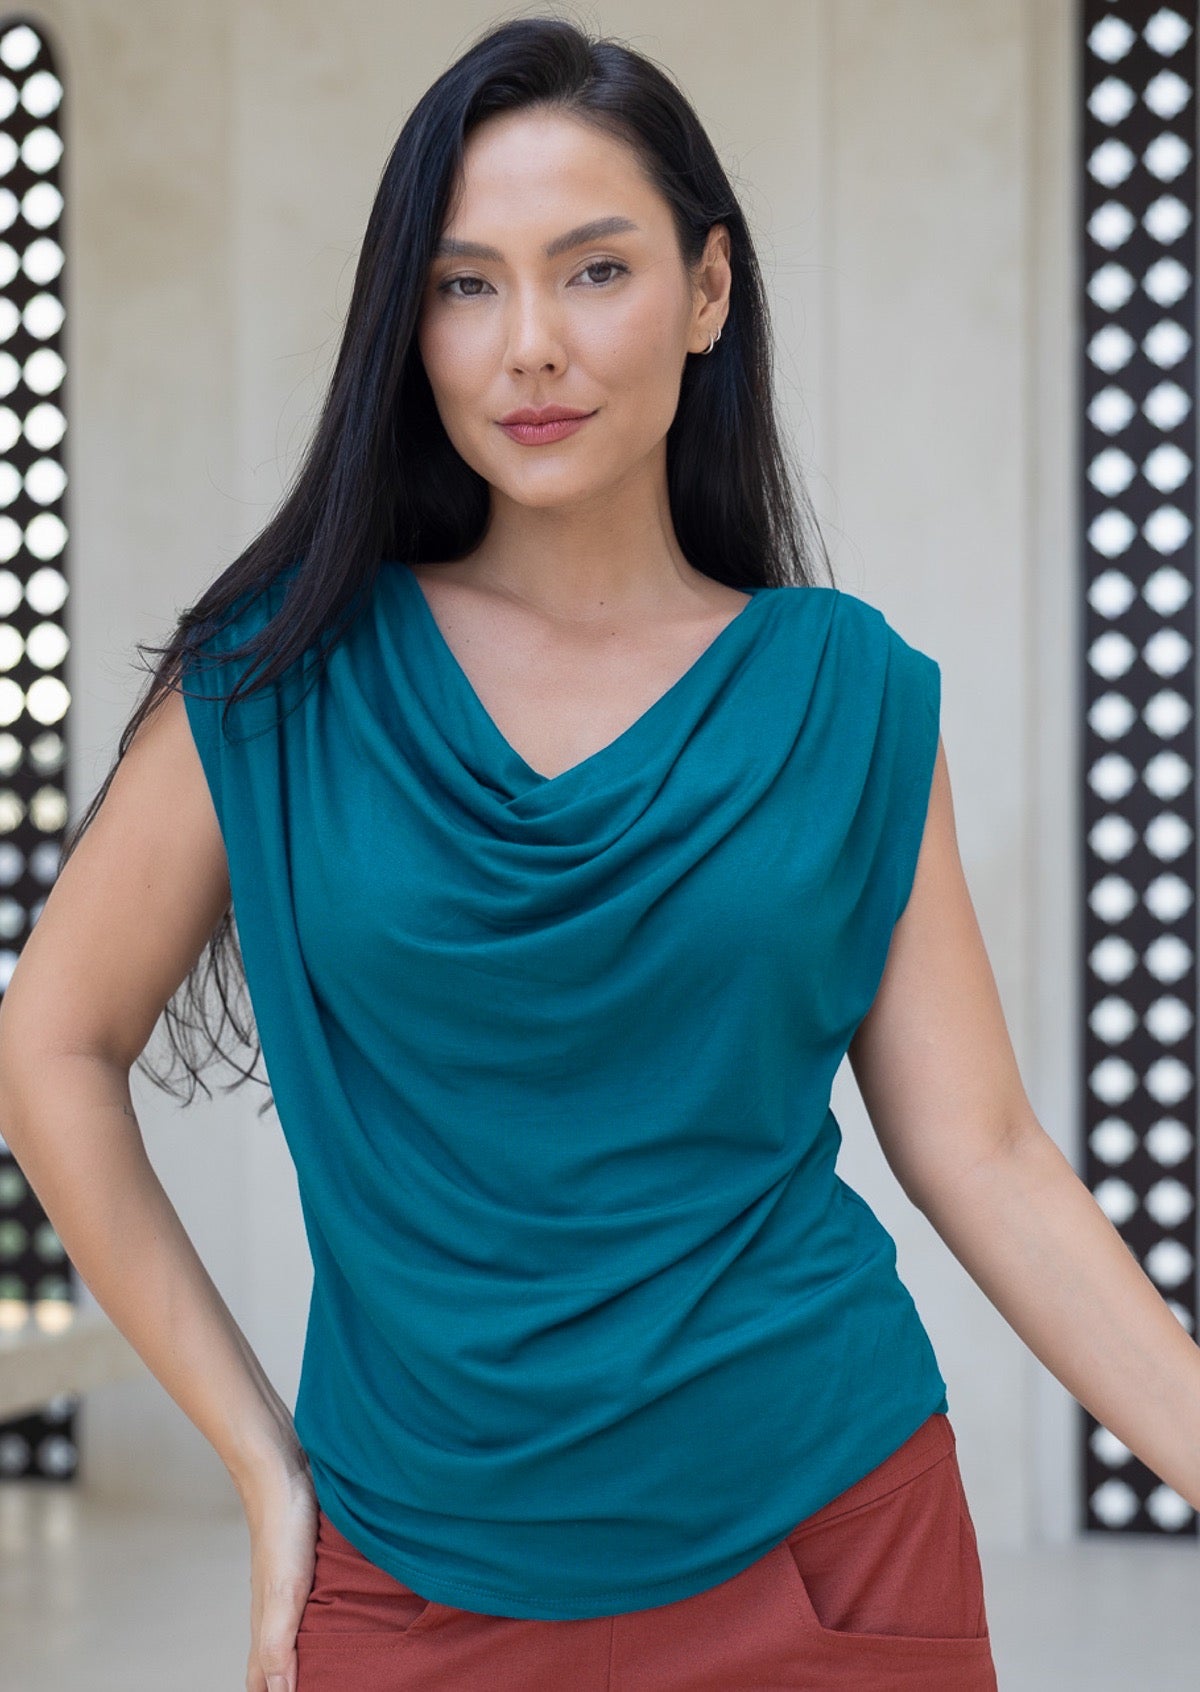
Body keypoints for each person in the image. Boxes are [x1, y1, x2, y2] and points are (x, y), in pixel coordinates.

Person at [3, 14, 1198, 1692]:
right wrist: (264, 1465)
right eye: (465, 284)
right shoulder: (280, 680)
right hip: (408, 1582)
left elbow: (984, 1154)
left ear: (708, 291)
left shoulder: (844, 689)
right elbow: (51, 1042)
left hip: (831, 1541)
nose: (531, 346)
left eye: (596, 270)